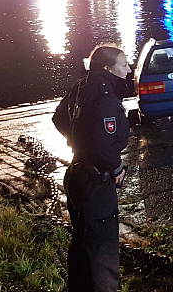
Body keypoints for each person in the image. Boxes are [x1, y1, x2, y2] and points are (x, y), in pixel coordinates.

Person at [53, 44, 132, 292]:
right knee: (102, 254)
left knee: (82, 245)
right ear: (108, 68)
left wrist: (77, 141)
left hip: (76, 175)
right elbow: (103, 145)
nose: (129, 70)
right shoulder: (105, 97)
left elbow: (59, 118)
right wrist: (117, 167)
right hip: (96, 185)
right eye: (124, 65)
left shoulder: (81, 86)